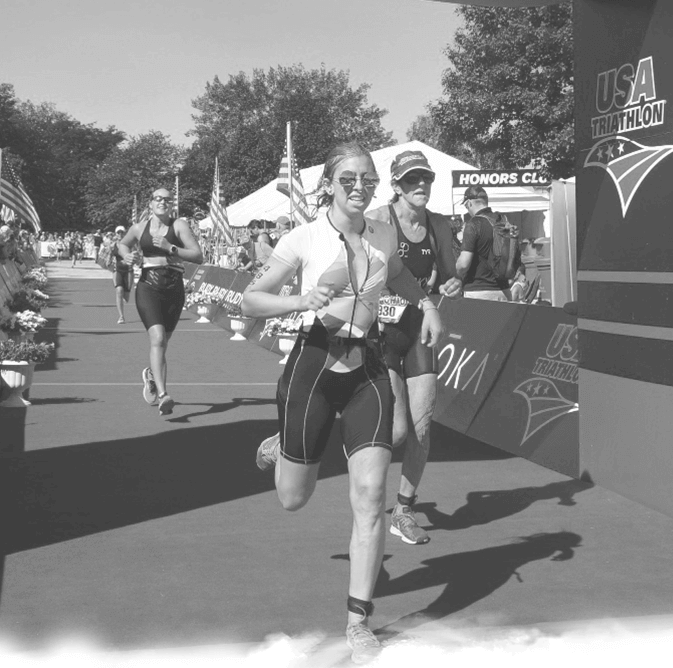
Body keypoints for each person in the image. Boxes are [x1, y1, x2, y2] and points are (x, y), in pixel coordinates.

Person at [242, 141, 443, 663]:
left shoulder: (381, 234)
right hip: (313, 369)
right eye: (348, 178)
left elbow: (398, 273)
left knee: (372, 495)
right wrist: (296, 300)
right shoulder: (303, 238)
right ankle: (284, 444)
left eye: (367, 179)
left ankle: (359, 619)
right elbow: (250, 299)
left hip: (369, 370)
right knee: (293, 497)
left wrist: (427, 304)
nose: (359, 187)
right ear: (329, 184)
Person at [368, 149, 462, 546]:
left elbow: (452, 274)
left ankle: (404, 510)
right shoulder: (377, 220)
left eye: (425, 179)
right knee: (397, 428)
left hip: (418, 329)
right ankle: (301, 434)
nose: (420, 186)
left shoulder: (438, 224)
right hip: (380, 332)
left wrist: (452, 284)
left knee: (422, 428)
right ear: (396, 186)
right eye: (411, 180)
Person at [116, 187, 203, 417]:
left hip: (174, 286)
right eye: (158, 199)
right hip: (148, 286)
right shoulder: (139, 228)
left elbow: (198, 255)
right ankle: (164, 395)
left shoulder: (179, 226)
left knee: (164, 343)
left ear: (171, 204)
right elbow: (122, 244)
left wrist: (170, 248)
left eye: (167, 199)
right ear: (150, 204)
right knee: (158, 338)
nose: (162, 202)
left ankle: (151, 376)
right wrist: (127, 255)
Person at [456, 185, 512, 300]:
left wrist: (453, 272)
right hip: (504, 291)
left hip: (479, 292)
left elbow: (463, 264)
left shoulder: (474, 223)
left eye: (466, 206)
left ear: (469, 203)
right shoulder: (503, 220)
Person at [111, 225, 134, 324]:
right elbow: (108, 257)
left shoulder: (130, 244)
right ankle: (121, 316)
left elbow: (137, 255)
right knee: (119, 290)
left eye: (122, 232)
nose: (120, 234)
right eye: (118, 233)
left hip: (128, 271)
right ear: (116, 234)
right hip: (117, 270)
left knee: (126, 297)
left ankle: (126, 293)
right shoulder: (113, 245)